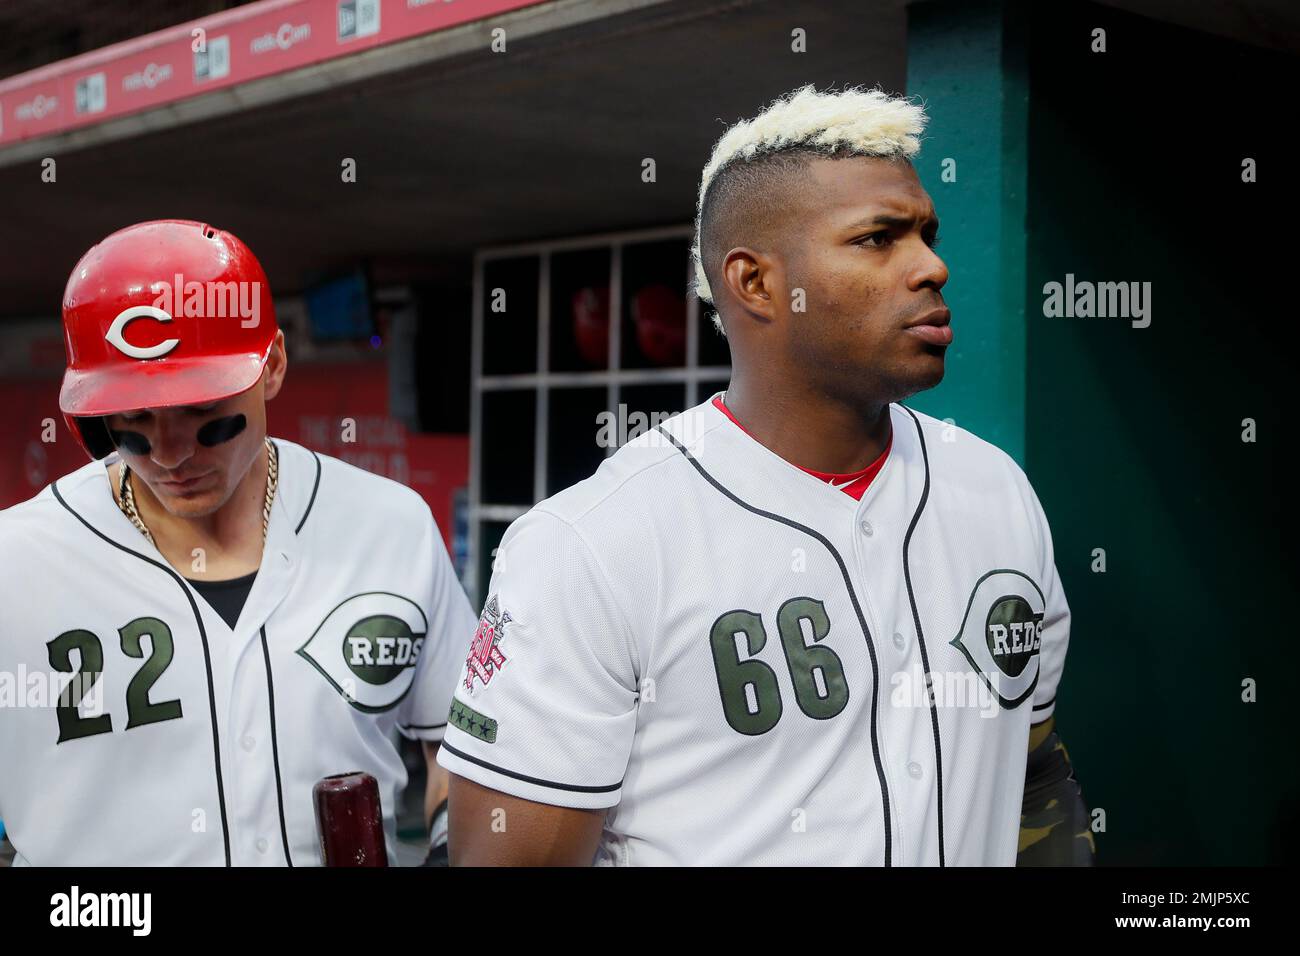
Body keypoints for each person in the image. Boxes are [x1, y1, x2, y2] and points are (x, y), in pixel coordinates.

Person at [437, 86, 1093, 865]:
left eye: (926, 233)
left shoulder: (998, 491)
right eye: (879, 239)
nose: (932, 266)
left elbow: (1033, 774)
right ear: (754, 283)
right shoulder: (591, 543)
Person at [0, 220, 474, 865]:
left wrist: (455, 850)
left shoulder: (389, 524)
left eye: (202, 414)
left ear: (272, 365)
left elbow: (460, 741)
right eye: (135, 419)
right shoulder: (17, 561)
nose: (169, 454)